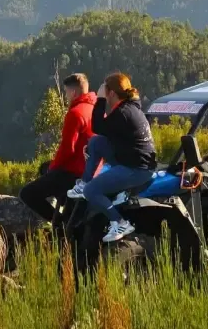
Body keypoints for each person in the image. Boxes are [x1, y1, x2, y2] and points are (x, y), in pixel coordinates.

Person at [66, 72, 157, 243]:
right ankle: (85, 181)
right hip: (135, 160)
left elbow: (98, 125)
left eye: (104, 91)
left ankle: (120, 222)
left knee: (91, 191)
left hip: (137, 169)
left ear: (112, 94)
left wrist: (99, 100)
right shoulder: (131, 107)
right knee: (96, 142)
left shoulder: (123, 112)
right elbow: (107, 134)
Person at [19, 73, 97, 222]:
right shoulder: (96, 110)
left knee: (27, 194)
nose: (66, 96)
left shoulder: (76, 113)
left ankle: (60, 225)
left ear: (73, 92)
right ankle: (68, 208)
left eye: (66, 92)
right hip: (92, 170)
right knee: (44, 167)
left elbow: (68, 149)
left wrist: (53, 168)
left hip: (74, 172)